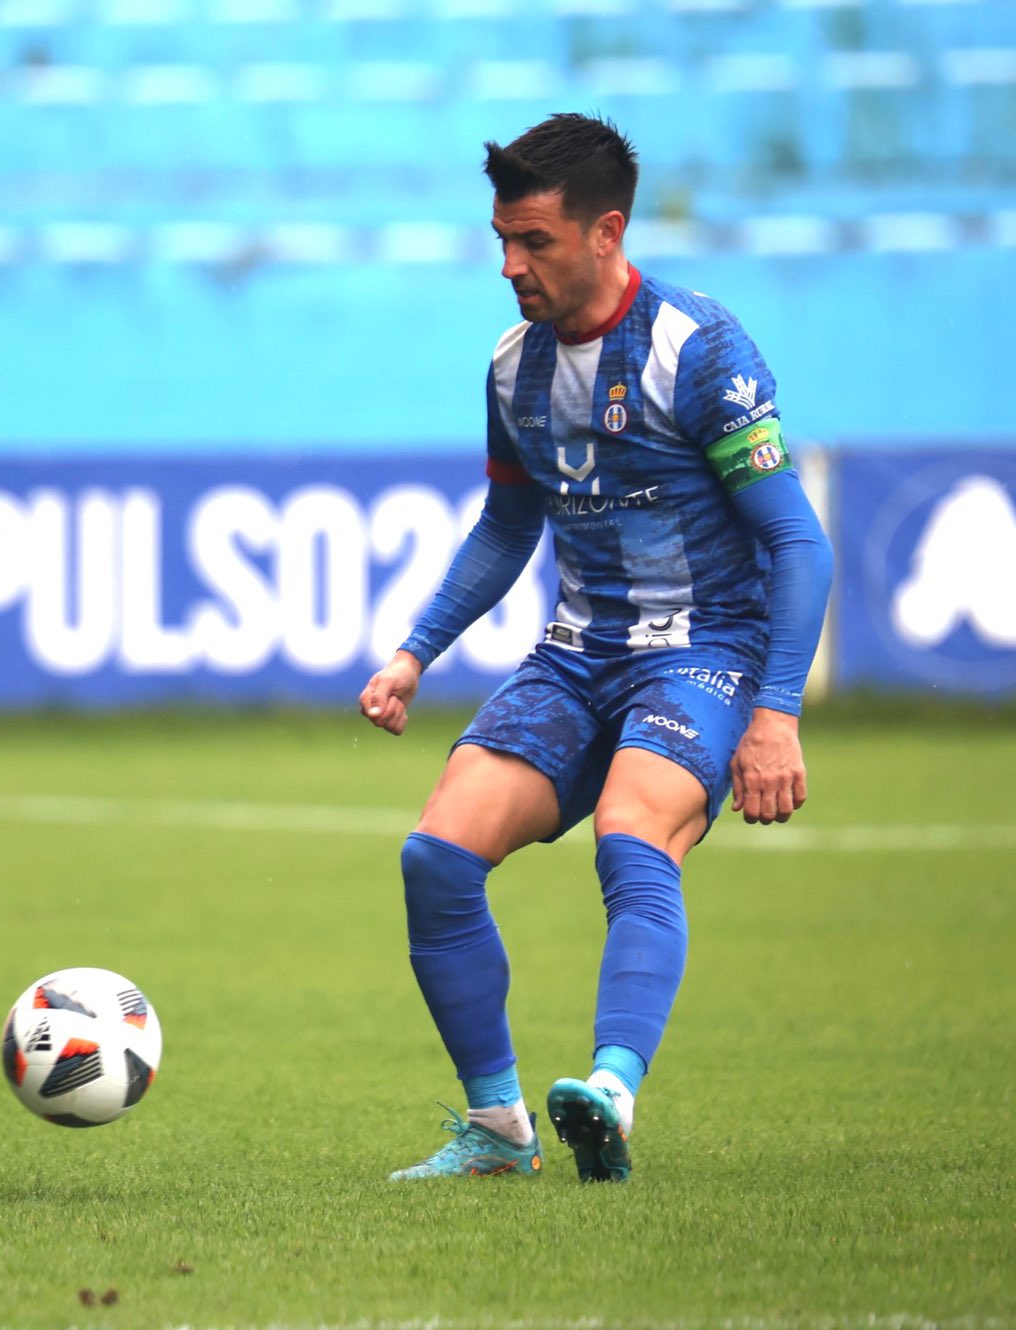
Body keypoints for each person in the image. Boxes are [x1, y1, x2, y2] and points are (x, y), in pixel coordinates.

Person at [357, 113, 832, 1183]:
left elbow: (796, 544)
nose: (508, 265)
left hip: (701, 649)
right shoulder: (512, 364)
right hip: (577, 654)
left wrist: (775, 712)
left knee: (630, 835)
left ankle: (608, 1093)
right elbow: (505, 526)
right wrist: (414, 651)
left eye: (532, 242)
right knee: (434, 856)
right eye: (499, 240)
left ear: (606, 230)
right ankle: (496, 1128)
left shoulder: (696, 349)